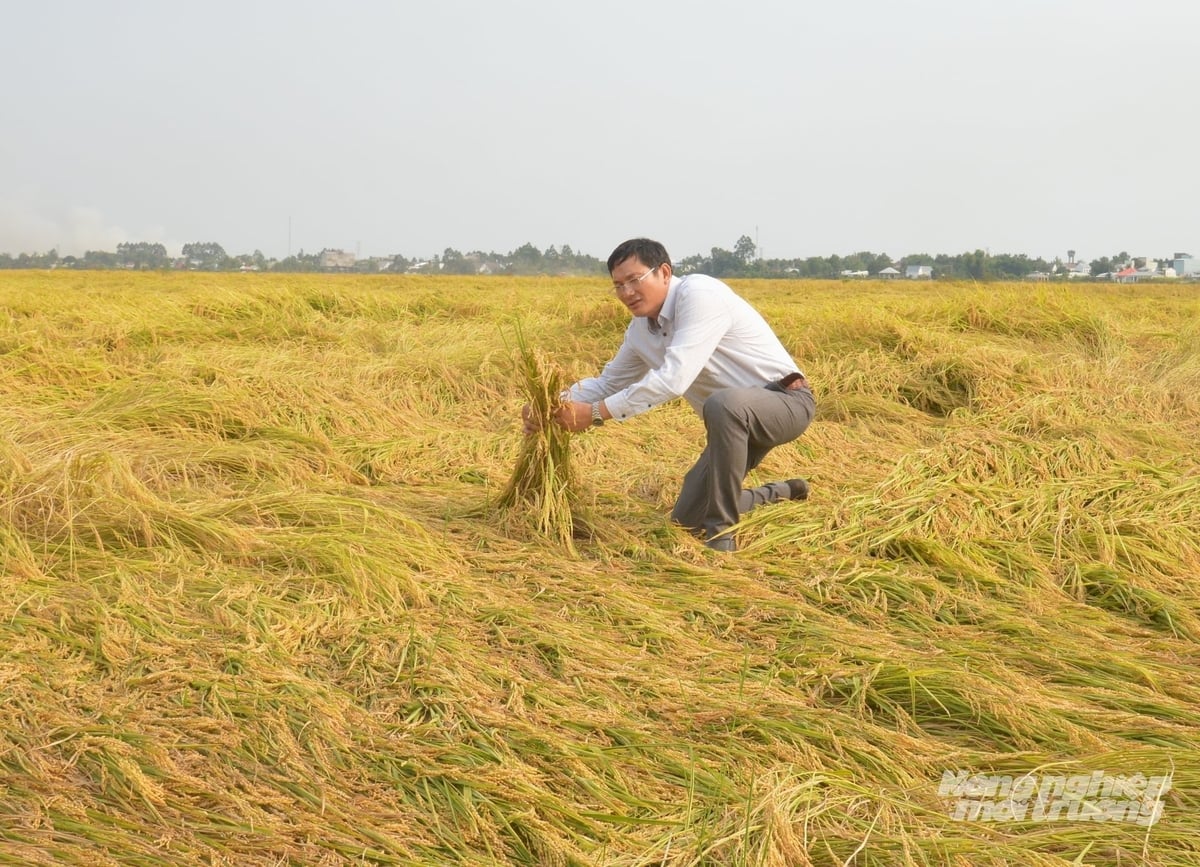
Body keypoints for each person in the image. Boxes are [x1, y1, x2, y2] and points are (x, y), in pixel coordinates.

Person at [526, 237, 815, 552]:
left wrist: (595, 414)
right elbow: (608, 382)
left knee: (723, 404)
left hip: (785, 402)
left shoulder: (700, 295)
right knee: (686, 520)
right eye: (618, 285)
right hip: (730, 425)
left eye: (634, 280)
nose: (627, 293)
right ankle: (779, 492)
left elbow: (673, 379)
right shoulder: (640, 331)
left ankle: (721, 537)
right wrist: (550, 404)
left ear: (664, 272)